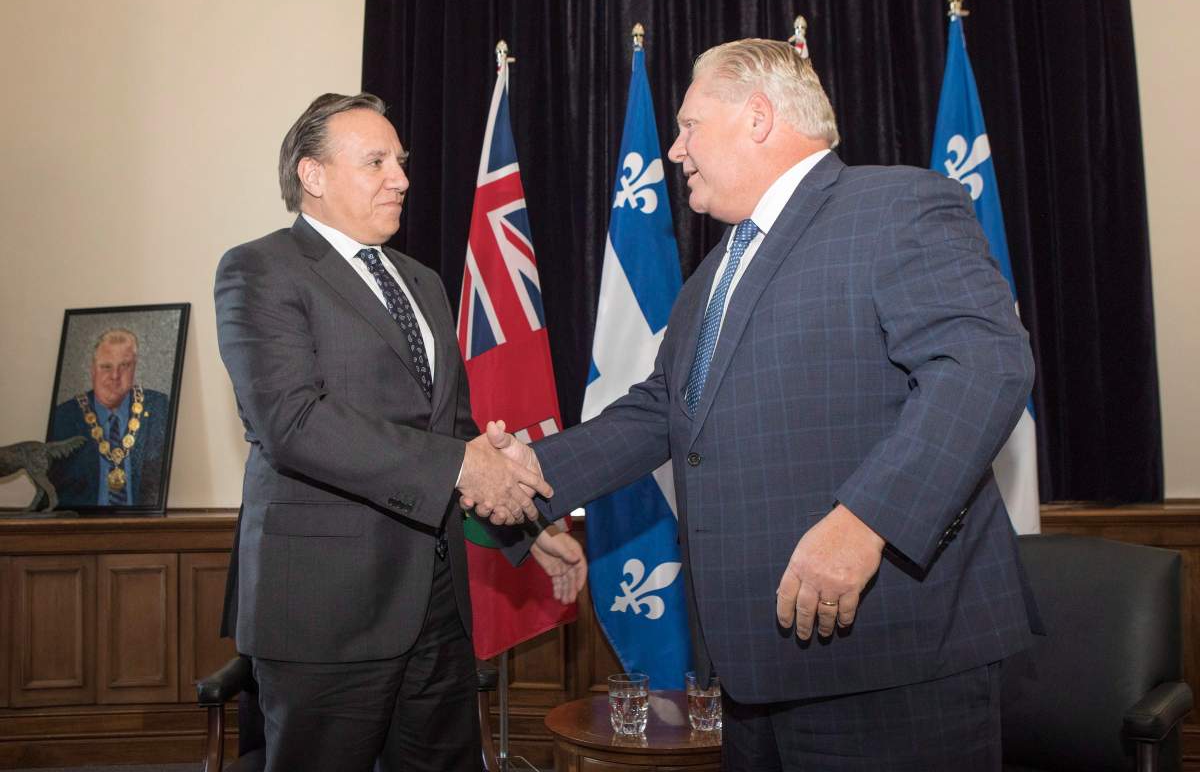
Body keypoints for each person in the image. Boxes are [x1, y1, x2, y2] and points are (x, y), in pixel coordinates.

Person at [474, 39, 1038, 770]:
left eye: (689, 126)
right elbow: (658, 412)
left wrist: (868, 520)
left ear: (759, 117)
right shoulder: (712, 275)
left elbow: (984, 365)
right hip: (752, 674)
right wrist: (528, 473)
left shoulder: (896, 205)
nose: (675, 150)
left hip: (888, 662)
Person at [214, 92, 584, 772]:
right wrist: (463, 466)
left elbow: (459, 438)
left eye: (402, 161)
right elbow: (292, 422)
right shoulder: (260, 269)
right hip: (326, 613)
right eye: (376, 161)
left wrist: (530, 531)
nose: (402, 178)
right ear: (312, 175)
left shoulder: (423, 282)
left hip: (437, 609)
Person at [49, 328, 169, 507]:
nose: (115, 376)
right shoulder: (64, 418)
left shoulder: (160, 408)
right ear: (92, 370)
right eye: (106, 367)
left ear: (135, 368)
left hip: (144, 522)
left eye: (124, 366)